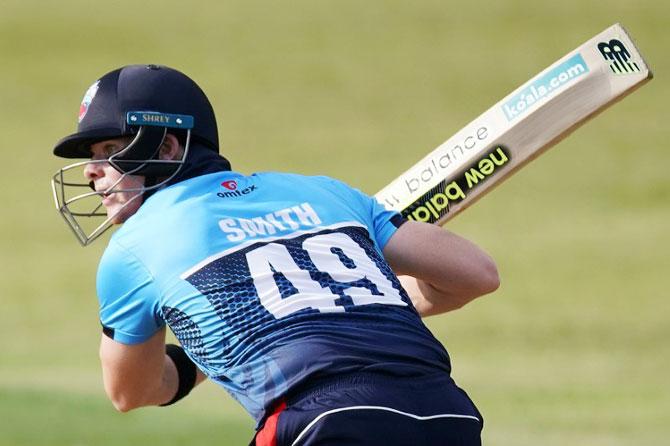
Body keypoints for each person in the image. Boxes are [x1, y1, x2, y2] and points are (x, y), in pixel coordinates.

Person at [51, 64, 499, 446]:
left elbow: (132, 391)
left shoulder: (135, 246)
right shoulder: (324, 191)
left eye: (111, 151)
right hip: (447, 413)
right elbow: (475, 274)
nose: (93, 172)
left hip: (319, 423)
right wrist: (356, 303)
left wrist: (211, 343)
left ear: (168, 147)